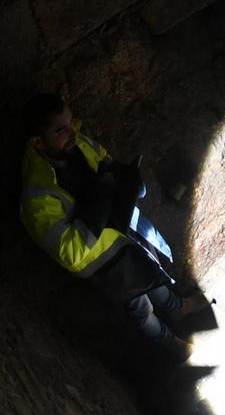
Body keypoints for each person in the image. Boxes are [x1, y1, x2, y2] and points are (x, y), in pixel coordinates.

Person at [18, 93, 206, 363]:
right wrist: (100, 202)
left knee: (150, 274)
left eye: (71, 123)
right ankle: (169, 342)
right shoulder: (38, 196)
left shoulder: (75, 143)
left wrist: (121, 175)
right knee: (140, 307)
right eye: (61, 130)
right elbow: (70, 252)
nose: (72, 132)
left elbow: (102, 158)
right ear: (37, 142)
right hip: (105, 264)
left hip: (123, 236)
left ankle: (179, 307)